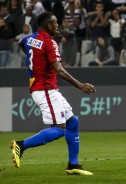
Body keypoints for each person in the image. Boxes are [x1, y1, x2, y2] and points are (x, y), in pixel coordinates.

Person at [11, 11, 96, 175]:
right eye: (56, 23)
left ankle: (73, 164)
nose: (58, 26)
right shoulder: (49, 43)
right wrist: (81, 86)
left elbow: (21, 43)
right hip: (45, 89)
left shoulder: (31, 38)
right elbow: (59, 71)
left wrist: (36, 63)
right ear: (49, 25)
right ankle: (20, 146)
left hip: (46, 88)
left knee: (73, 123)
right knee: (60, 128)